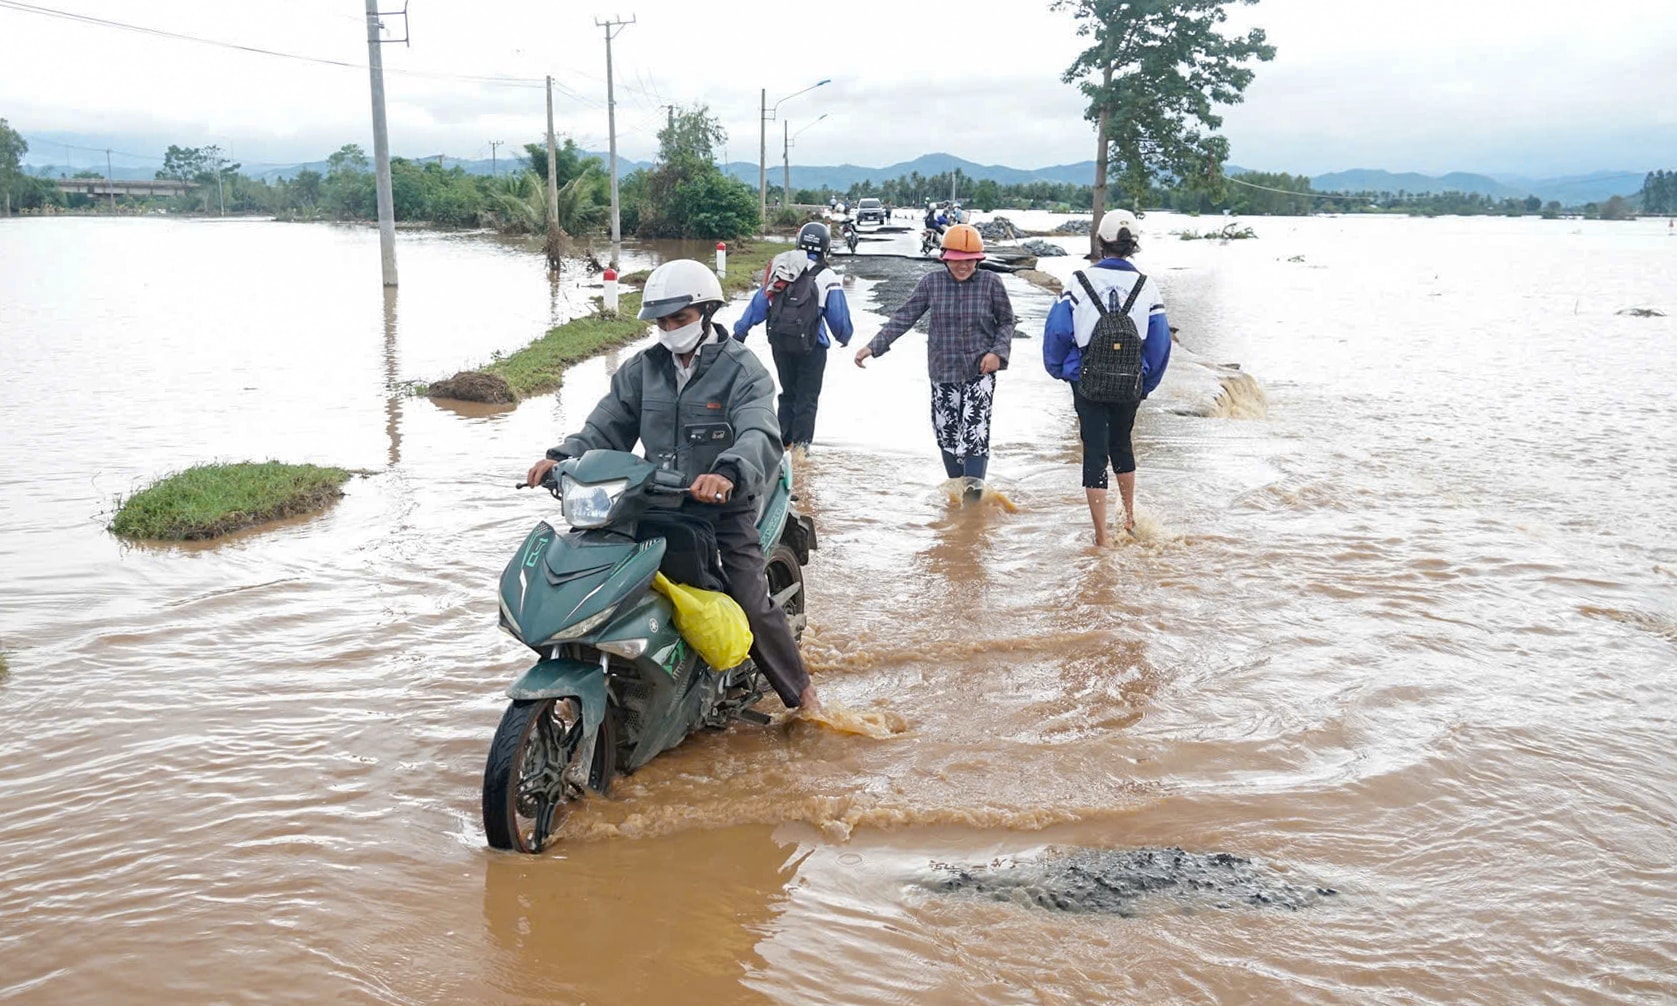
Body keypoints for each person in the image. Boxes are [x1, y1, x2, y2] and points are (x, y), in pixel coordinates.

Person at [524, 259, 819, 712]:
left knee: (749, 598)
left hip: (723, 506)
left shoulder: (742, 370)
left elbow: (759, 432)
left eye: (679, 319)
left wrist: (727, 473)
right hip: (650, 500)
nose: (669, 330)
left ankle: (804, 696)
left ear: (707, 312)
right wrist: (561, 458)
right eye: (661, 322)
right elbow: (606, 427)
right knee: (593, 571)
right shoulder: (642, 369)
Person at [1041, 209, 1172, 545]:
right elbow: (1160, 343)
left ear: (1100, 242)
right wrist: (1145, 383)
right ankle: (1128, 518)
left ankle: (1101, 537)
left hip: (1087, 380)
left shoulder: (1078, 282)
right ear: (1133, 246)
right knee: (1122, 444)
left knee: (1095, 452)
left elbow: (1057, 332)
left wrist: (1062, 370)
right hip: (1130, 381)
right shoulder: (1147, 286)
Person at [854, 223, 1015, 496]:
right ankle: (957, 490)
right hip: (943, 371)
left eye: (969, 261)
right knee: (947, 433)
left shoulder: (991, 283)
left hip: (980, 370)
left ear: (978, 260)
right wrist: (873, 346)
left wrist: (997, 353)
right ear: (944, 258)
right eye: (956, 260)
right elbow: (905, 316)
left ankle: (972, 501)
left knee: (975, 433)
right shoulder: (932, 283)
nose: (963, 266)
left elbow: (1007, 321)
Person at [732, 222, 854, 450]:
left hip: (780, 343)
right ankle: (801, 453)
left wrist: (740, 332)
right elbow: (838, 319)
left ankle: (780, 446)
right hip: (812, 348)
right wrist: (845, 338)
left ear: (799, 243)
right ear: (825, 248)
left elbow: (759, 304)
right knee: (807, 399)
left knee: (787, 393)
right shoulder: (827, 276)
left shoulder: (782, 269)